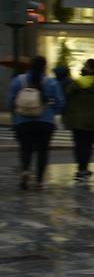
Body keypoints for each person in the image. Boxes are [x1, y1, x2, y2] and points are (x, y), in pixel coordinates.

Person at [8, 56, 64, 191]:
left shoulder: (18, 81)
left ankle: (25, 171)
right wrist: (51, 111)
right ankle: (39, 181)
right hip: (45, 121)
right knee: (43, 151)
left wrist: (16, 115)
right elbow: (61, 103)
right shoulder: (51, 82)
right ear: (45, 67)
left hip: (23, 121)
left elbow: (10, 102)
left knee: (25, 149)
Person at [63, 58, 94, 182]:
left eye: (86, 66)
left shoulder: (77, 83)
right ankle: (84, 169)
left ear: (92, 69)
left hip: (77, 119)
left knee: (78, 145)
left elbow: (67, 94)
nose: (84, 67)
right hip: (92, 121)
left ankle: (80, 168)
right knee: (87, 146)